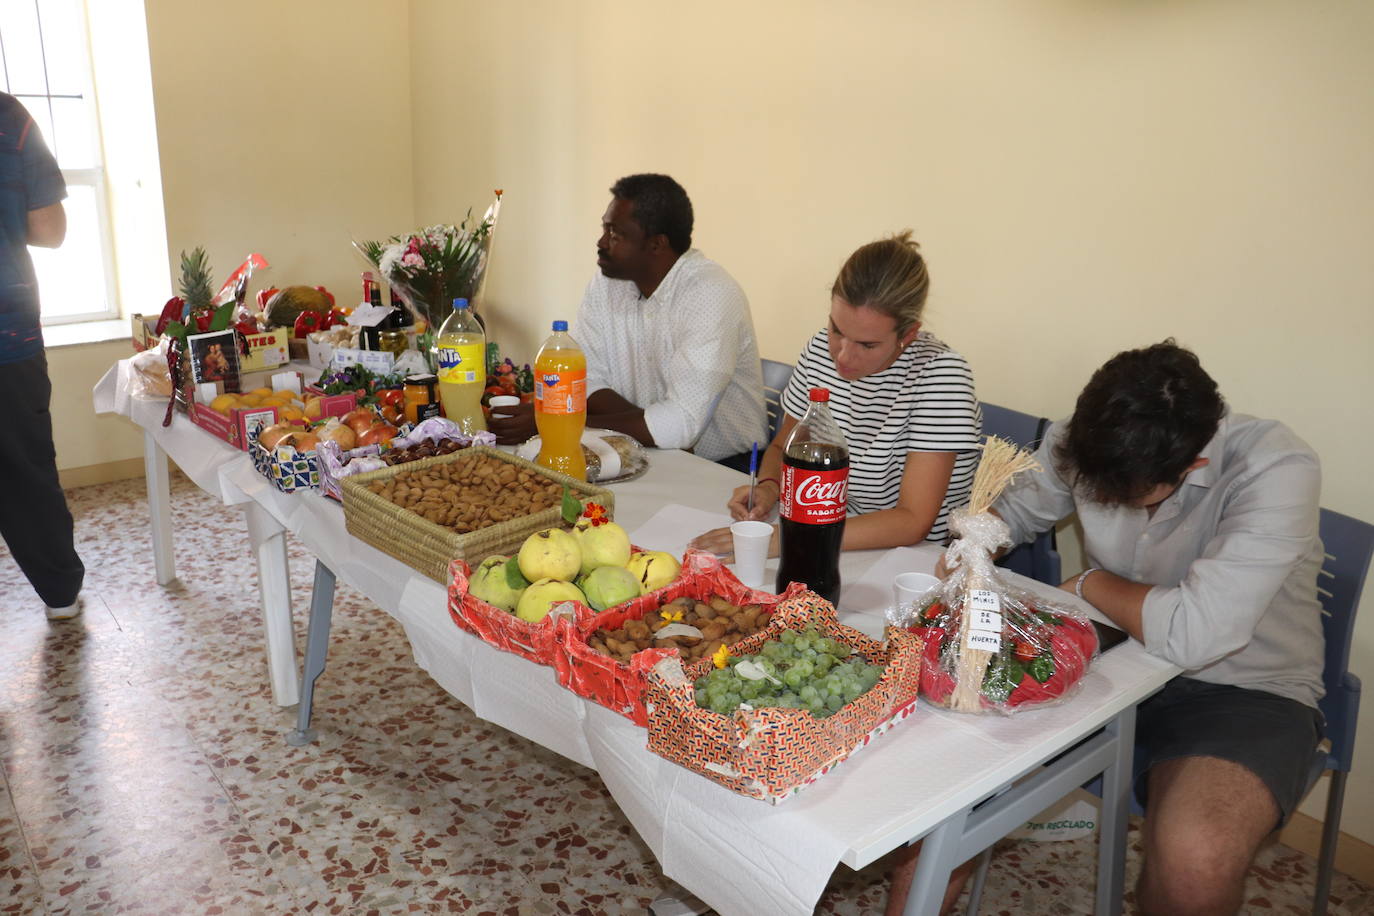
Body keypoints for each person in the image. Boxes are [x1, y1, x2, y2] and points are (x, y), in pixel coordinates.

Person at [921, 340, 1324, 915]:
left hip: (1241, 688)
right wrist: (977, 541)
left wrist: (1090, 585)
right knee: (947, 766)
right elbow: (1013, 513)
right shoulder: (1084, 437)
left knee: (1195, 860)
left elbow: (1197, 634)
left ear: (1193, 465)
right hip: (1106, 651)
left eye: (1124, 496)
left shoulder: (1278, 469)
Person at [690, 231, 981, 557]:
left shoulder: (942, 376)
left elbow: (912, 521)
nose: (842, 356)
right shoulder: (819, 350)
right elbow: (783, 446)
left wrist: (786, 539)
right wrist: (770, 487)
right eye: (836, 330)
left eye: (867, 345)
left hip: (911, 558)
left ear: (908, 334)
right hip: (828, 532)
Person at [488, 173, 766, 467]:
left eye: (615, 234)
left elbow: (682, 423)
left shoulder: (710, 294)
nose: (601, 241)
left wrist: (558, 423)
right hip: (643, 449)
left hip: (727, 470)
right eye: (605, 228)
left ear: (657, 244)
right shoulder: (608, 282)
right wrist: (651, 428)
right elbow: (588, 379)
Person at [0, 92, 83, 620]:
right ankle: (59, 594)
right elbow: (49, 230)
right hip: (7, 335)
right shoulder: (9, 118)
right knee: (26, 469)